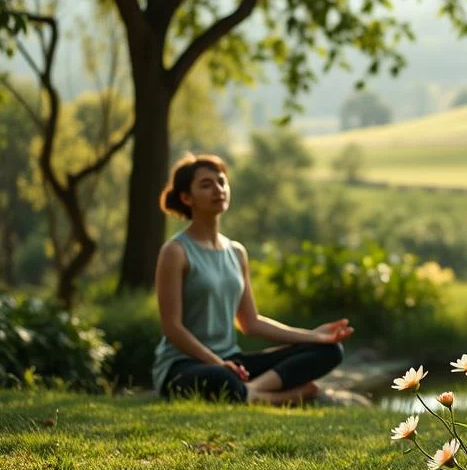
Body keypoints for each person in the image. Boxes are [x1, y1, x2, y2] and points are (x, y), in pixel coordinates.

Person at [151, 152, 353, 405]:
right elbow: (172, 328)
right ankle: (269, 396)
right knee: (219, 377)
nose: (218, 189)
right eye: (206, 184)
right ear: (186, 198)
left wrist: (313, 336)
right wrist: (220, 364)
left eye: (221, 181)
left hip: (234, 362)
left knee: (330, 350)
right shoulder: (176, 252)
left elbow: (251, 323)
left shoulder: (236, 252)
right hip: (185, 366)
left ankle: (251, 391)